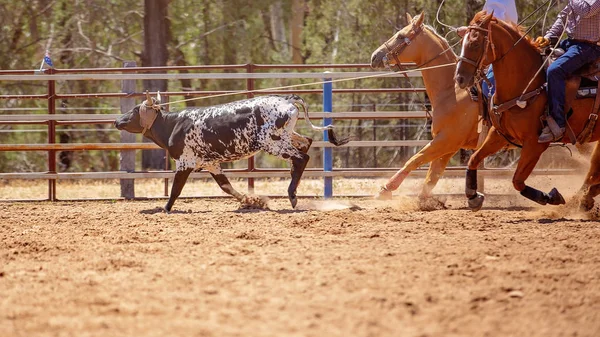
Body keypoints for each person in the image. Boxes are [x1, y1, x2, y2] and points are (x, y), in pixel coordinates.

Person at [535, 0, 600, 143]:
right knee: (535, 60)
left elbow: (586, 11)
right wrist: (548, 37)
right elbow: (563, 16)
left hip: (589, 47)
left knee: (555, 70)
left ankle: (558, 123)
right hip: (571, 43)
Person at [457, 1, 519, 97]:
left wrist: (468, 30)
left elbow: (494, 23)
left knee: (487, 85)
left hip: (502, 50)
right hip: (500, 47)